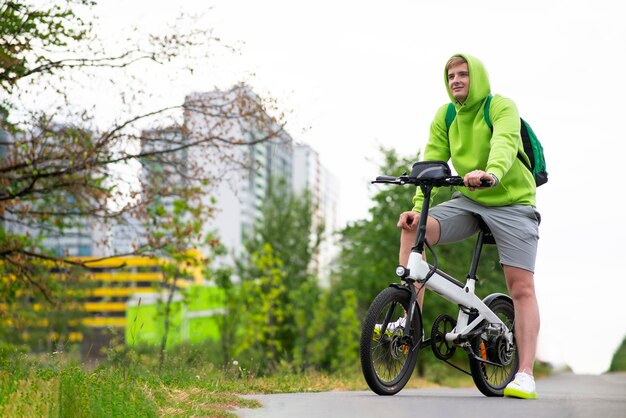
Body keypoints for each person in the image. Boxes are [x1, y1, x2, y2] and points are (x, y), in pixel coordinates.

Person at [396, 54, 541, 399]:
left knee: (521, 287)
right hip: (470, 200)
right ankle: (408, 323)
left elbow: (505, 143)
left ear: (476, 77)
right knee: (413, 228)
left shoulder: (500, 106)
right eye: (451, 76)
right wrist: (417, 208)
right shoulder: (446, 116)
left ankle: (524, 374)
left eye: (463, 74)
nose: (456, 80)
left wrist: (490, 173)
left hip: (512, 201)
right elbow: (429, 164)